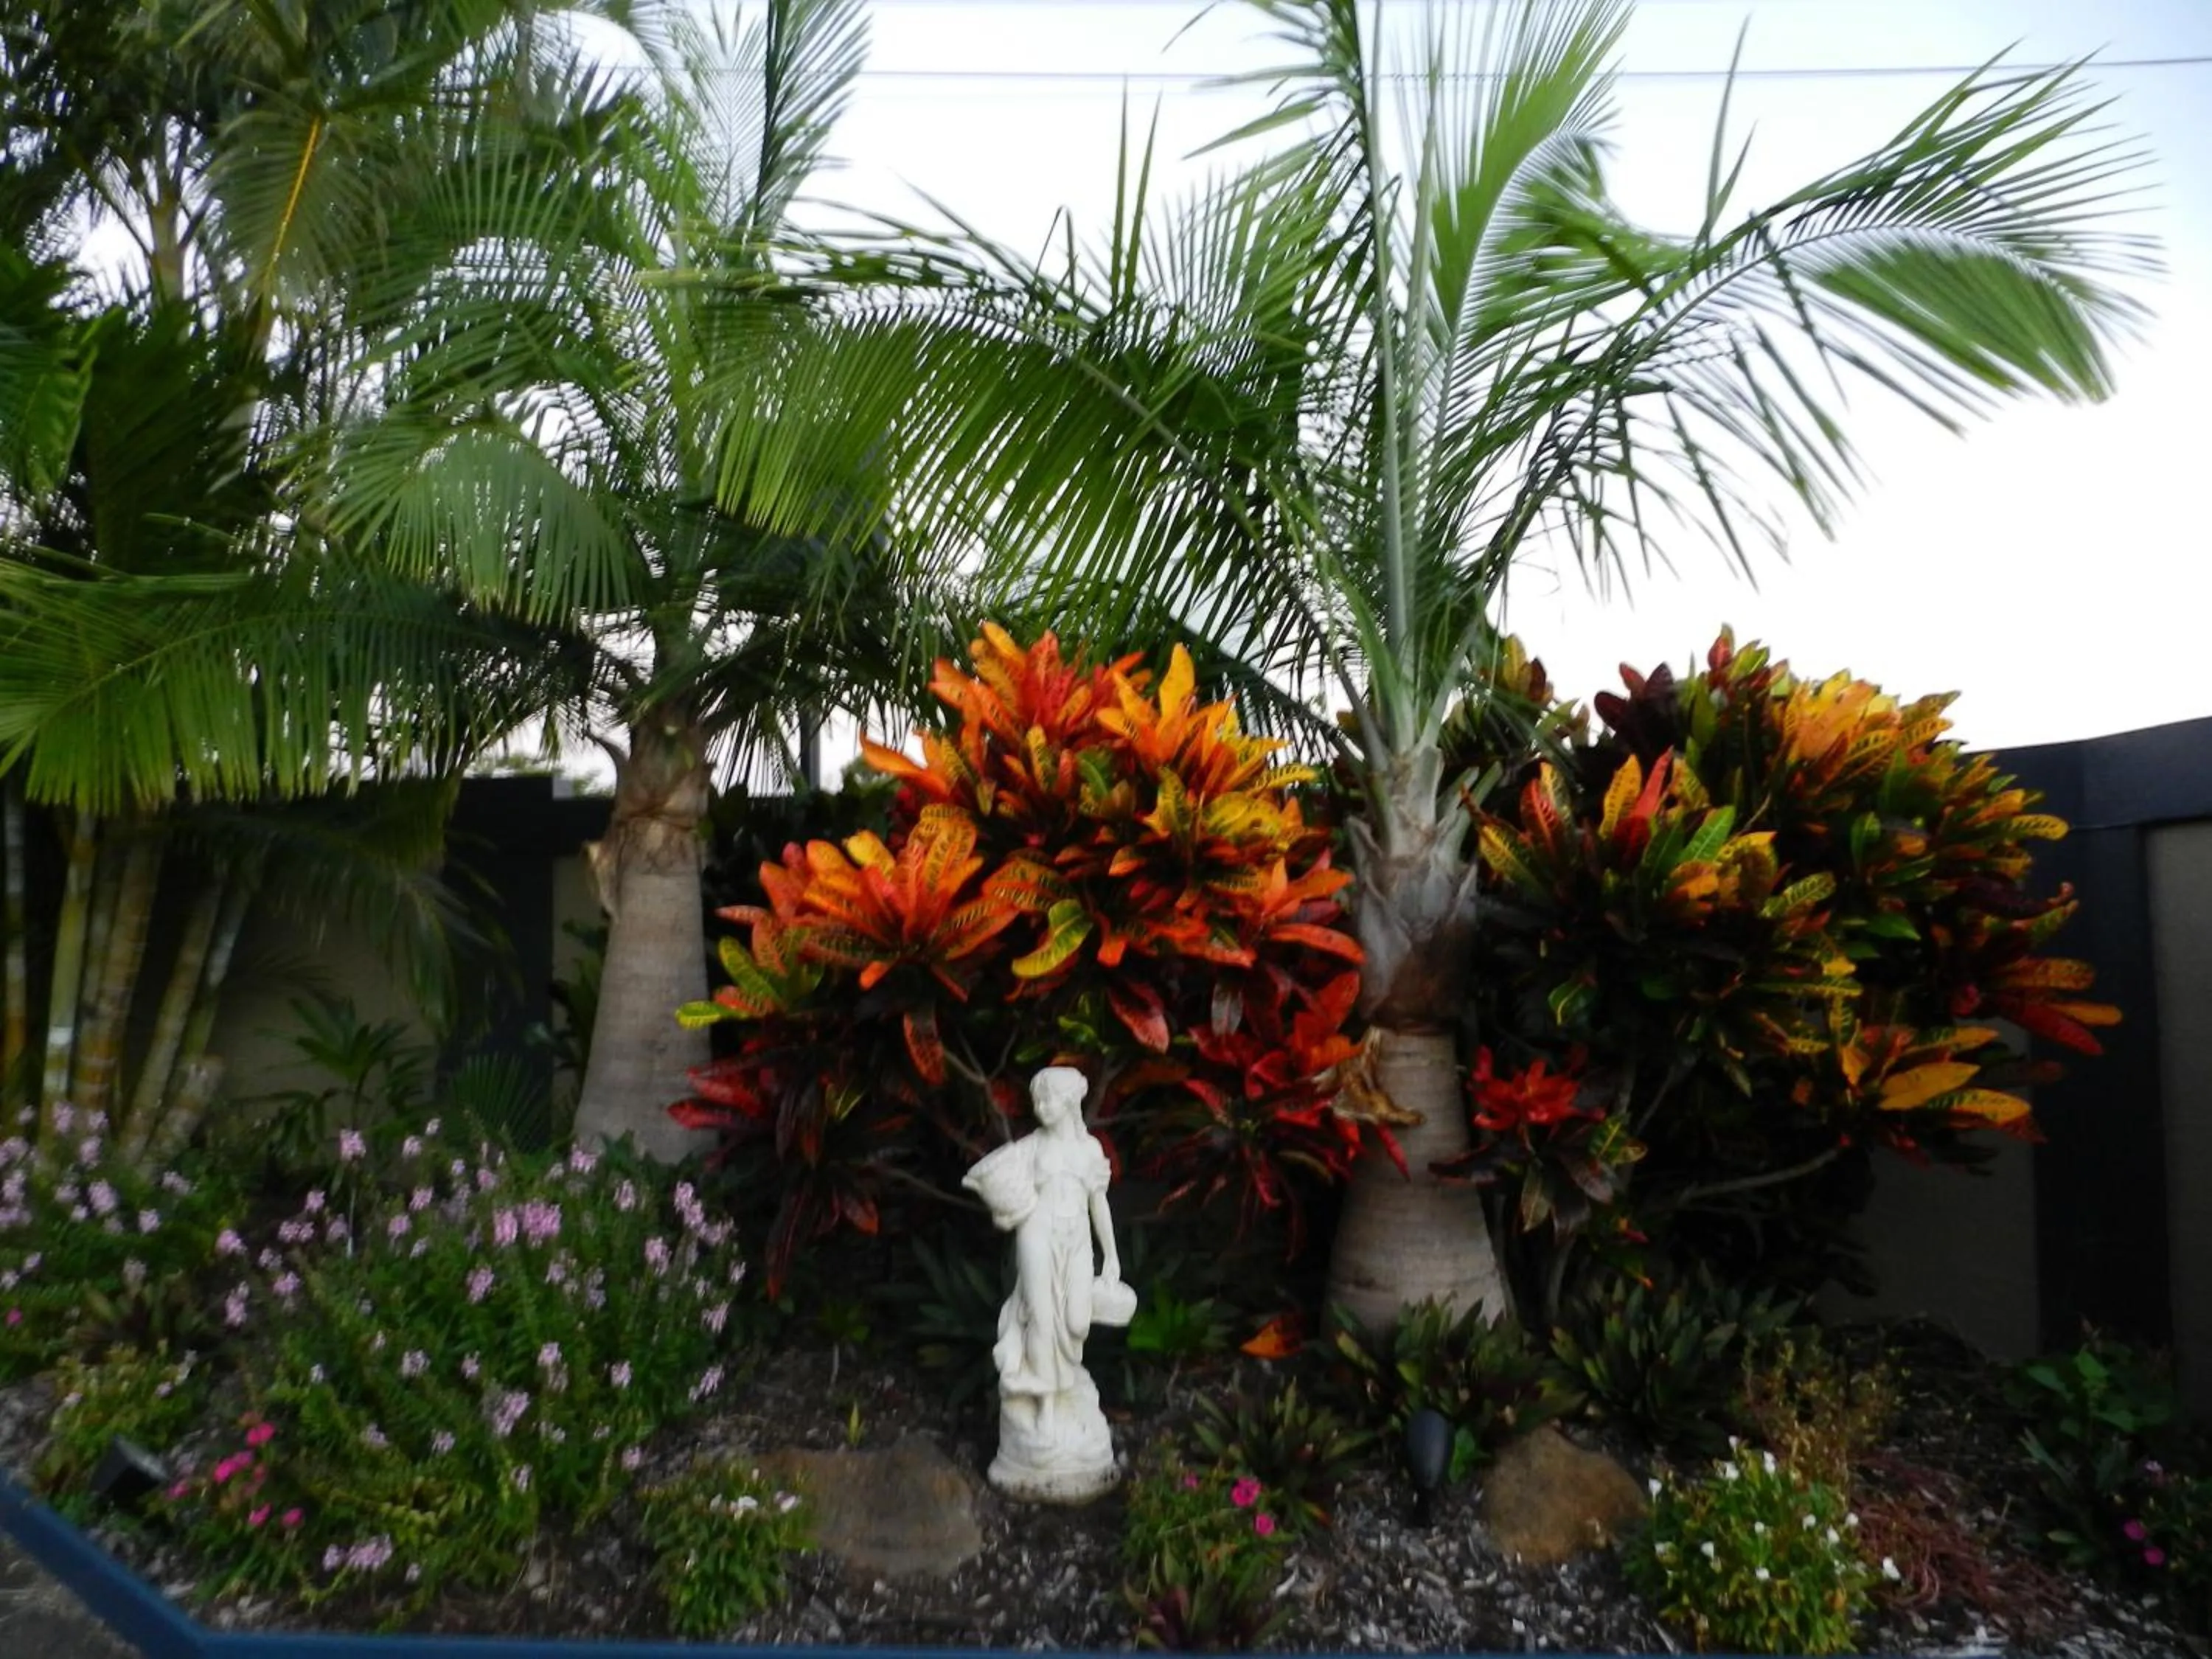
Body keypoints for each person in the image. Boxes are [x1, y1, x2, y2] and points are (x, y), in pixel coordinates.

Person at [963, 1066, 1133, 1412]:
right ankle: (1045, 1403)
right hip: (1037, 1234)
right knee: (1041, 1315)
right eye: (1037, 1100)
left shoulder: (1089, 1150)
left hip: (1077, 1239)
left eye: (1048, 1100)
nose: (1041, 1107)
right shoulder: (1031, 1147)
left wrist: (1112, 1255)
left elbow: (1098, 1205)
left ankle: (1060, 1379)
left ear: (1070, 1103)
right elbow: (998, 1182)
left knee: (1076, 1322)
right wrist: (991, 1196)